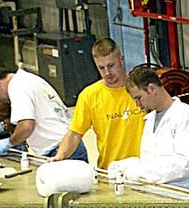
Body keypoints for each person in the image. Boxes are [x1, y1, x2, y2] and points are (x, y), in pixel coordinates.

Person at [106, 65, 189, 193]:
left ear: (151, 89)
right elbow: (151, 162)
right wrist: (127, 165)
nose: (137, 105)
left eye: (138, 98)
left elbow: (185, 165)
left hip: (188, 195)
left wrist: (141, 173)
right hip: (162, 195)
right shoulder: (150, 119)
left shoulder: (186, 117)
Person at [51, 38, 143, 169]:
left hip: (144, 170)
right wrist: (59, 157)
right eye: (101, 68)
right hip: (110, 172)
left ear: (121, 60)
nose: (107, 73)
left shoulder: (141, 88)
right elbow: (75, 133)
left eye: (111, 66)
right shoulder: (89, 96)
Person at [0, 67, 86, 162]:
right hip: (69, 145)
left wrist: (9, 142)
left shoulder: (17, 87)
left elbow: (26, 126)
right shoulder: (27, 79)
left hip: (61, 152)